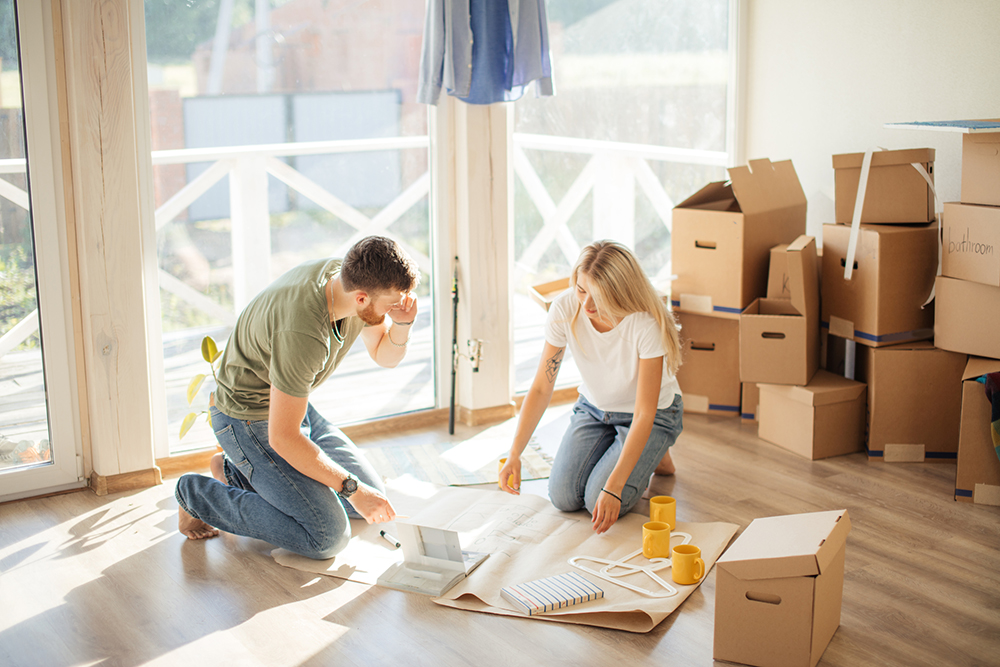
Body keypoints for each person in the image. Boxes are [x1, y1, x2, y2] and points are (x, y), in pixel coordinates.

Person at [175, 236, 420, 559]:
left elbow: (384, 355)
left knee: (365, 504)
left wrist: (402, 324)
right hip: (248, 419)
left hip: (289, 405)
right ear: (361, 298)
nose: (394, 310)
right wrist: (352, 488)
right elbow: (283, 437)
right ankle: (196, 494)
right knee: (327, 537)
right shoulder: (303, 332)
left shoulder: (345, 280)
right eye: (391, 305)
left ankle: (236, 472)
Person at [499, 240, 683, 534]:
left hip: (650, 414)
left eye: (599, 295)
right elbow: (541, 388)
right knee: (563, 497)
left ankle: (656, 446)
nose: (587, 305)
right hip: (595, 409)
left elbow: (645, 411)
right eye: (581, 289)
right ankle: (648, 450)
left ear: (621, 292)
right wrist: (515, 453)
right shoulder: (564, 308)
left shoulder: (645, 323)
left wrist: (614, 487)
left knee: (599, 498)